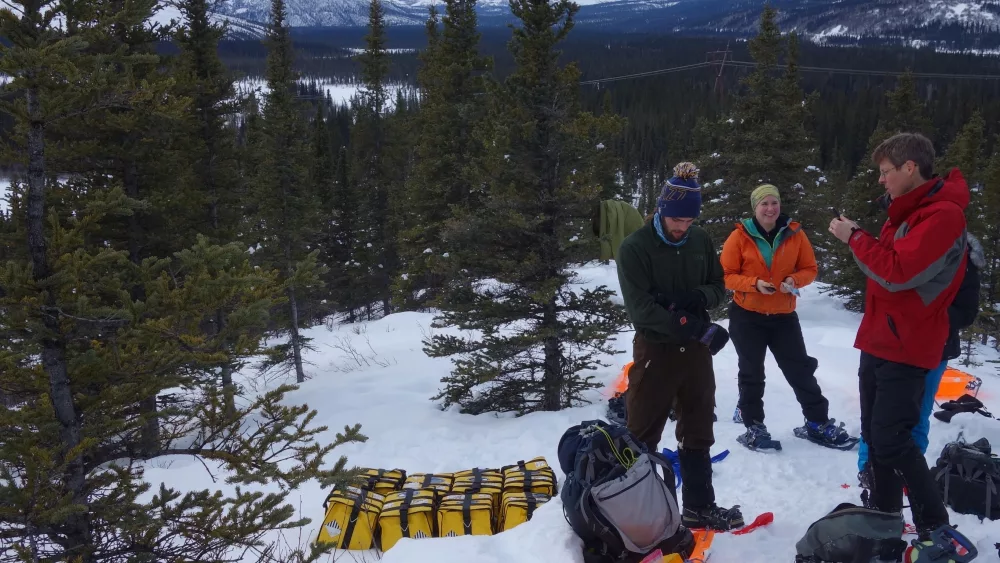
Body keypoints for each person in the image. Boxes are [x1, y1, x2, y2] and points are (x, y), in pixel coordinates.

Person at [829, 132, 968, 543]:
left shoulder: (943, 216)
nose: (880, 180)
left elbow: (896, 272)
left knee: (893, 438)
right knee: (875, 436)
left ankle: (934, 525)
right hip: (880, 340)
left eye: (886, 171)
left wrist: (855, 237)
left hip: (908, 344)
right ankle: (885, 515)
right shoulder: (908, 211)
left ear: (910, 168)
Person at [616, 161, 744, 532]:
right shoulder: (635, 248)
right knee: (642, 430)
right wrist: (684, 322)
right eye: (676, 220)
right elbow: (640, 309)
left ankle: (699, 508)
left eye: (688, 222)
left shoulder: (700, 240)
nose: (681, 228)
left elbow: (719, 286)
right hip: (656, 350)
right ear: (661, 210)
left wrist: (697, 296)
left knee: (698, 425)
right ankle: (632, 513)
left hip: (696, 354)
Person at [856, 207, 985, 500]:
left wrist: (922, 318)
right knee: (876, 417)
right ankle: (870, 471)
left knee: (916, 414)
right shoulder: (904, 250)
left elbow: (965, 312)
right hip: (888, 345)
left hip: (932, 349)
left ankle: (906, 476)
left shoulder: (961, 257)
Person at [720, 184, 853, 452]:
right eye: (764, 204)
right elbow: (726, 275)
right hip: (747, 316)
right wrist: (754, 284)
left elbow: (810, 268)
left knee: (800, 370)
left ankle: (817, 422)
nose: (770, 209)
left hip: (783, 316)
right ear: (755, 208)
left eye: (774, 203)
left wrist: (795, 279)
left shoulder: (794, 233)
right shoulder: (739, 236)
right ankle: (753, 426)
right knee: (751, 372)